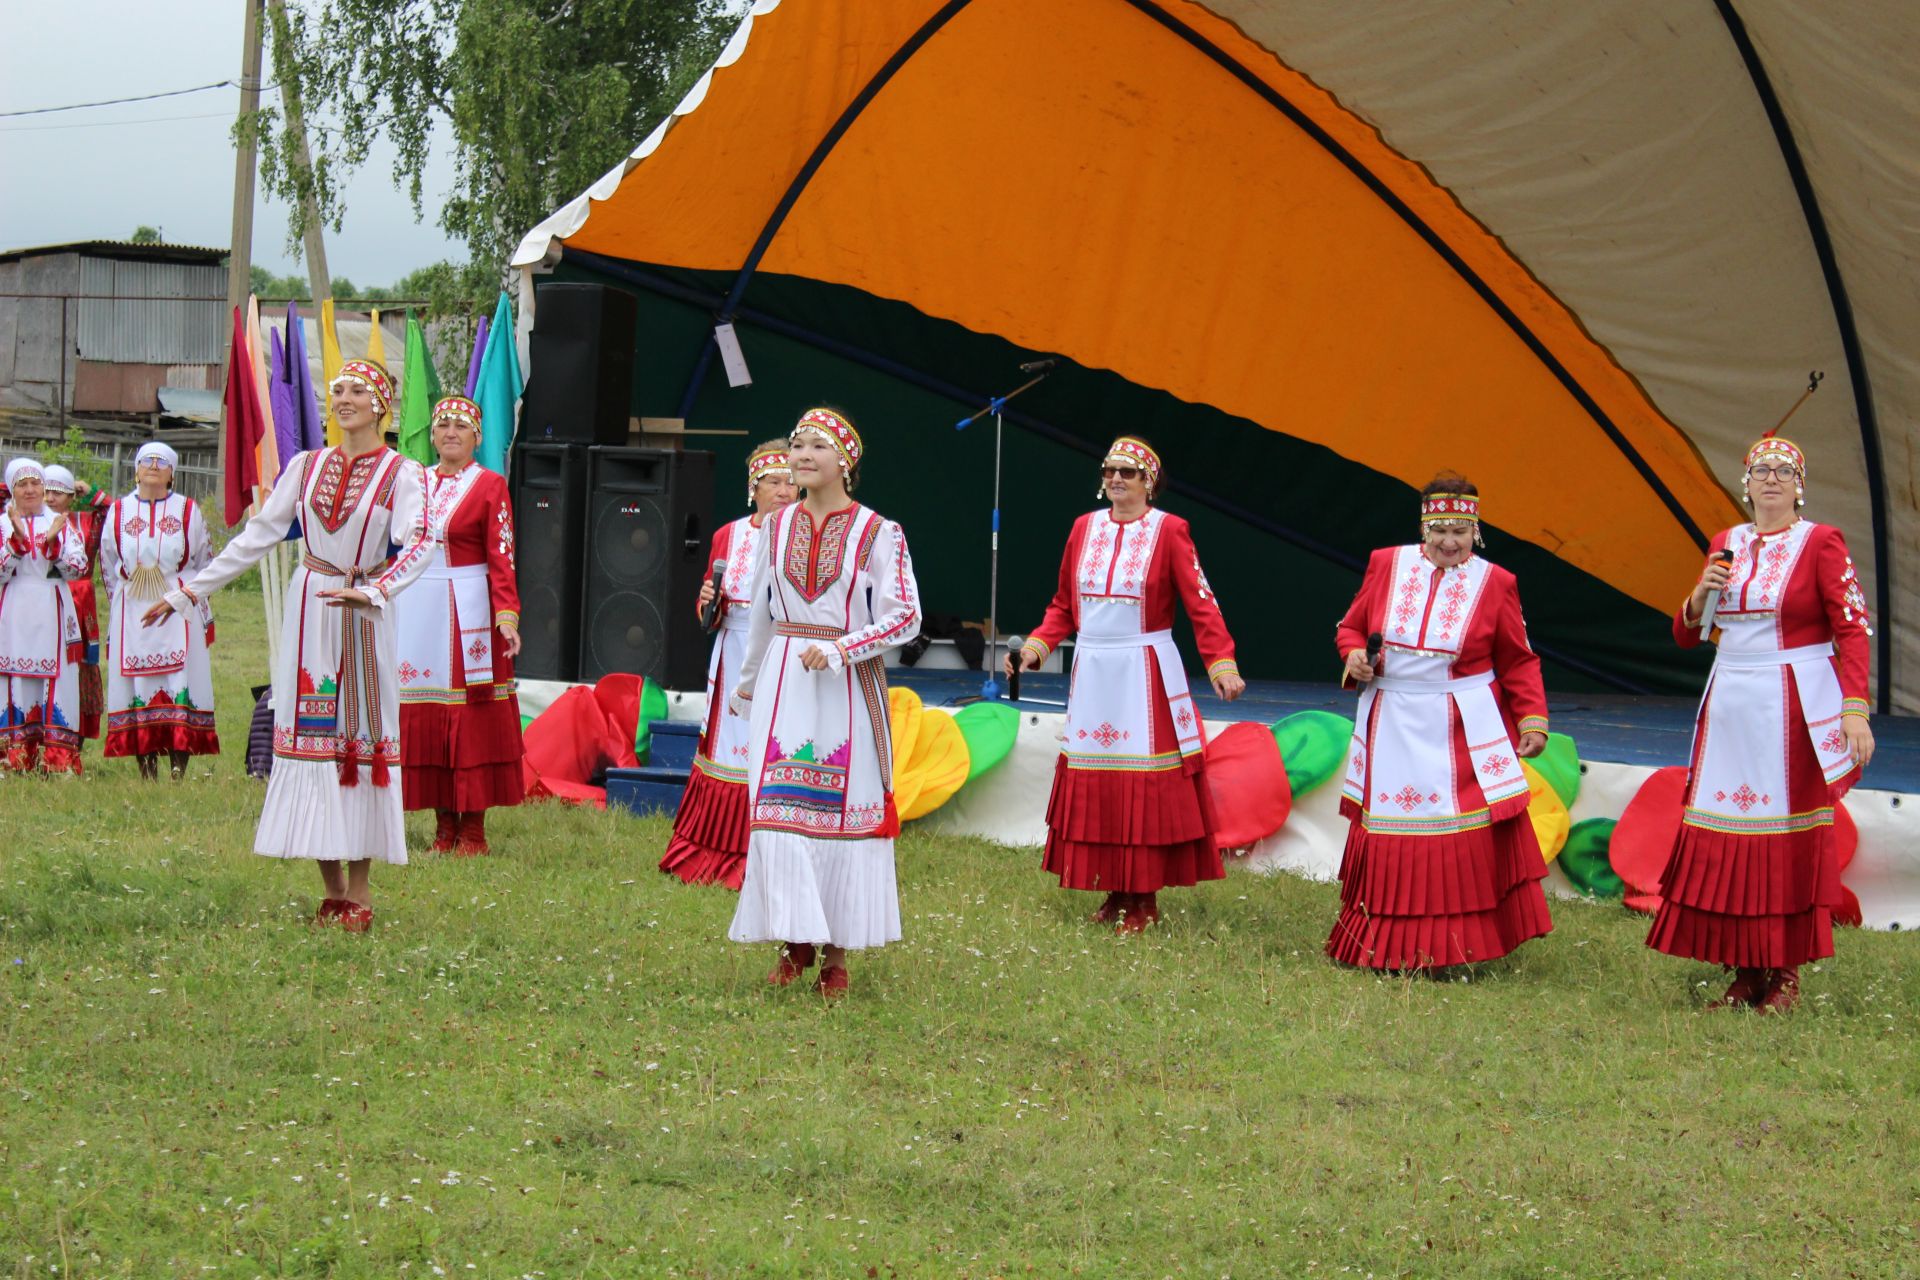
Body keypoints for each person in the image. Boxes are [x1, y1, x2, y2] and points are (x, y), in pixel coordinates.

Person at [143, 359, 436, 932]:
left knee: (360, 746)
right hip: (310, 609)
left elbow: (421, 541)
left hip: (363, 609)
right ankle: (330, 890)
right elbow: (255, 538)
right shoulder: (305, 467)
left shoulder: (403, 474)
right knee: (311, 743)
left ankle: (361, 888)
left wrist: (377, 590)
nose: (342, 399)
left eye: (355, 391)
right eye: (336, 391)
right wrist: (186, 594)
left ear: (381, 404)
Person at [1646, 432, 1872, 1012]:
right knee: (1731, 834)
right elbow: (1686, 635)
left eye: (1784, 470)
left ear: (1800, 486)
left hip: (1791, 704)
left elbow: (1851, 629)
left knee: (1783, 837)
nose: (1772, 478)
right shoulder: (1725, 543)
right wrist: (1700, 594)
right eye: (1761, 470)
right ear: (1745, 484)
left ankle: (1786, 975)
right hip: (1731, 702)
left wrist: (1854, 708)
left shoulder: (1821, 542)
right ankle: (1746, 970)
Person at [1007, 436, 1244, 933]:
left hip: (1144, 670)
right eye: (1110, 470)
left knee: (1145, 786)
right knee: (1103, 784)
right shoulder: (1082, 528)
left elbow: (1201, 602)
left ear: (1149, 482)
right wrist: (1035, 648)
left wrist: (1221, 662)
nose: (1116, 478)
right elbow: (1064, 607)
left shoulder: (1171, 530)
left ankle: (1144, 898)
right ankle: (1115, 891)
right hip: (1093, 671)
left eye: (1128, 472)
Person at [728, 407, 921, 996]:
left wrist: (842, 649)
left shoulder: (877, 532)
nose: (802, 454)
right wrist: (749, 679)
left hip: (845, 685)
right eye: (796, 444)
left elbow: (906, 616)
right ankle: (795, 941)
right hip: (786, 680)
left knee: (839, 817)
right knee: (780, 815)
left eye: (817, 445)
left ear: (846, 461)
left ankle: (836, 958)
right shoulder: (775, 528)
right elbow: (763, 610)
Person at [1330, 473, 1553, 972]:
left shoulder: (1497, 583)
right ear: (1423, 527)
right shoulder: (1385, 564)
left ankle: (1452, 950)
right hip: (1391, 720)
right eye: (1439, 530)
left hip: (1461, 725)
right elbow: (1351, 627)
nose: (1449, 542)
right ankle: (1380, 944)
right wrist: (1354, 658)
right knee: (1392, 829)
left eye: (1461, 531)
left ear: (1476, 530)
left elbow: (1518, 660)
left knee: (1460, 835)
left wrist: (1532, 719)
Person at [392, 395, 525, 855]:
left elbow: (502, 557)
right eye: (443, 424)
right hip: (418, 610)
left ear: (477, 438)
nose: (451, 432)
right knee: (426, 713)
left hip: (468, 609)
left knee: (469, 715)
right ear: (431, 435)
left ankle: (473, 830)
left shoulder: (490, 486)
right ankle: (443, 826)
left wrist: (506, 615)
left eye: (461, 426)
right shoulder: (416, 482)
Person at [661, 439, 796, 888]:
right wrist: (708, 602)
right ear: (753, 488)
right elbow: (709, 612)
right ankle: (713, 853)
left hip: (782, 652)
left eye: (791, 483)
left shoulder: (801, 533)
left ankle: (770, 855)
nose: (784, 490)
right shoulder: (728, 535)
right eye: (774, 482)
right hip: (734, 652)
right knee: (728, 751)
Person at [99, 443, 219, 778]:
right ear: (135, 470)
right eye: (146, 461)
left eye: (161, 461)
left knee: (182, 680)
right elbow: (108, 561)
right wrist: (121, 599)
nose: (153, 465)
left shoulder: (187, 510)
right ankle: (146, 767)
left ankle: (179, 766)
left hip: (178, 604)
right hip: (133, 605)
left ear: (172, 474)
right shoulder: (119, 511)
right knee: (139, 682)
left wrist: (188, 595)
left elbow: (204, 561)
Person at [0, 457, 89, 774]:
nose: (30, 490)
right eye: (22, 485)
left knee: (57, 680)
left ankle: (57, 760)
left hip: (53, 607)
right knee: (15, 678)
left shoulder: (62, 523)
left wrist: (53, 543)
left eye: (35, 483)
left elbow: (80, 568)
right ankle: (15, 758)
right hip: (14, 609)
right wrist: (17, 540)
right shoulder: (2, 523)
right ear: (12, 489)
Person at [42, 465, 111, 749]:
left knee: (79, 665)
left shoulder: (85, 522)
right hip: (42, 599)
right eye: (46, 491)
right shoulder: (28, 520)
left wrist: (92, 492)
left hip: (78, 602)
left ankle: (75, 736)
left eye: (58, 492)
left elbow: (115, 513)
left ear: (71, 496)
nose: (49, 497)